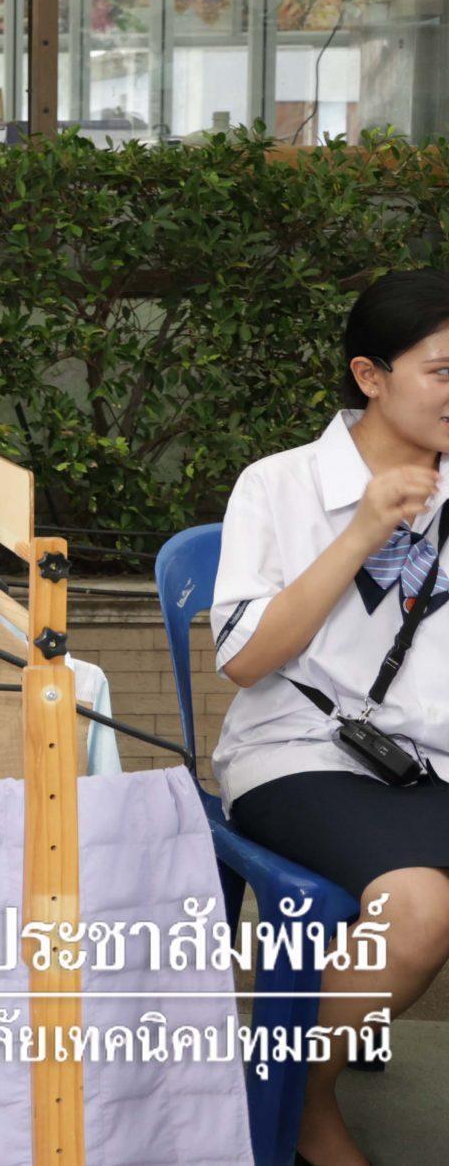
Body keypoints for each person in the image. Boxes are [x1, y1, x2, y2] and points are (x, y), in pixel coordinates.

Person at [214, 268, 449, 1166]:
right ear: (370, 375)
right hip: (297, 753)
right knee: (417, 909)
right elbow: (244, 660)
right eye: (443, 370)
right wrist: (359, 532)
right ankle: (302, 1093)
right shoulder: (278, 486)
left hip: (429, 762)